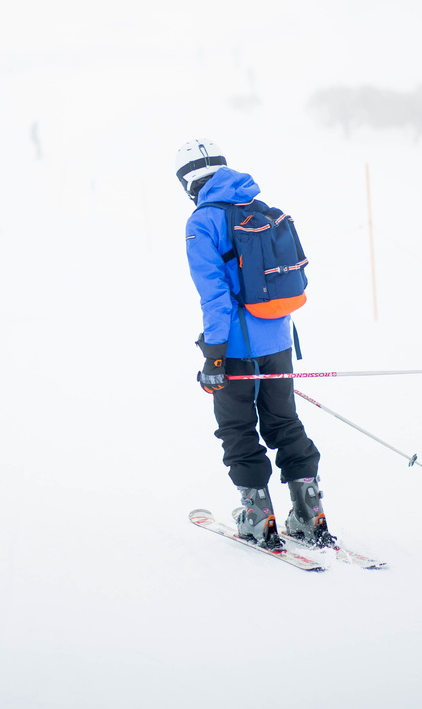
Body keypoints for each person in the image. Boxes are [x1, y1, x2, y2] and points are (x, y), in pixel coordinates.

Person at [176, 138, 334, 549]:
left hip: (235, 348)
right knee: (284, 422)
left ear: (187, 182)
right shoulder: (260, 209)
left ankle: (257, 516)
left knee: (237, 427)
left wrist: (213, 356)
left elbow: (214, 297)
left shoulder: (202, 222)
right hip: (278, 339)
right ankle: (308, 511)